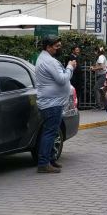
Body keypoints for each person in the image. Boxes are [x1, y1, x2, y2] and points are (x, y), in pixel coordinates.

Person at [35, 35, 76, 173]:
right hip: (52, 104)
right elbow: (62, 79)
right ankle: (44, 163)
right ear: (48, 47)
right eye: (56, 46)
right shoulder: (49, 61)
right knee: (49, 133)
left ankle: (50, 159)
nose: (59, 48)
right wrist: (70, 67)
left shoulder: (45, 59)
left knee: (51, 133)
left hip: (52, 102)